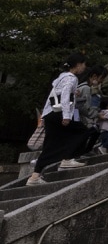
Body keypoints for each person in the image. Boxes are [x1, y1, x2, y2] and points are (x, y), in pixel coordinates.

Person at [27, 55, 91, 185]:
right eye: (83, 64)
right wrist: (66, 116)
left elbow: (56, 94)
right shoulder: (72, 78)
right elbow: (65, 95)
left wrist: (45, 115)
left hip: (50, 113)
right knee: (83, 132)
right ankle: (67, 159)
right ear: (78, 64)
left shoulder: (61, 77)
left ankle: (35, 176)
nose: (84, 67)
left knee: (51, 144)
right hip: (59, 114)